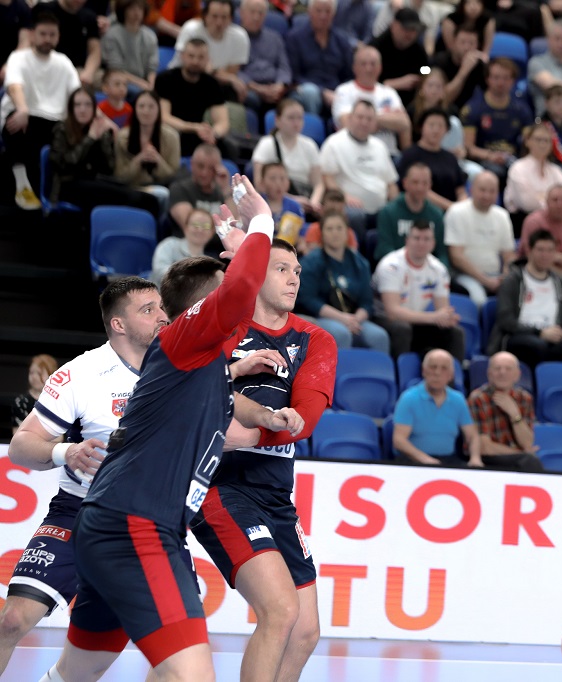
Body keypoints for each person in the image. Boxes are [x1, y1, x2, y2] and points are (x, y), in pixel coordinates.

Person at [34, 176, 304, 682]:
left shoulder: (205, 364)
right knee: (191, 676)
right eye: (228, 294)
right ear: (204, 308)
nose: (243, 301)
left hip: (126, 525)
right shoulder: (184, 338)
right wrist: (263, 223)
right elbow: (239, 291)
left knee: (75, 674)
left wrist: (240, 250)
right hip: (134, 526)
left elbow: (227, 410)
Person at [2, 278, 168, 675]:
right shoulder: (81, 373)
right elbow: (21, 445)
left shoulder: (179, 366)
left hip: (150, 521)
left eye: (161, 306)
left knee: (159, 646)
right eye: (148, 310)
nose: (163, 316)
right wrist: (66, 452)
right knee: (12, 620)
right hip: (79, 511)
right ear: (119, 324)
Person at [189, 239, 335, 682]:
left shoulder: (314, 339)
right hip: (218, 486)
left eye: (297, 271)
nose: (293, 279)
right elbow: (193, 388)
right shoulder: (225, 329)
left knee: (305, 631)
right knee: (280, 610)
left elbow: (304, 419)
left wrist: (249, 434)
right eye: (281, 269)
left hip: (274, 493)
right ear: (255, 275)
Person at [0, 11, 80, 210]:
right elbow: (14, 85)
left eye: (52, 35)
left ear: (58, 37)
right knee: (15, 121)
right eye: (43, 34)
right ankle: (21, 184)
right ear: (32, 34)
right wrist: (23, 108)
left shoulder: (64, 62)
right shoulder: (18, 57)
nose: (47, 39)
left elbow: (78, 95)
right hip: (26, 117)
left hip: (55, 122)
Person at [488, 228, 562, 369]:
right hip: (520, 335)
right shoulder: (513, 280)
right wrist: (540, 332)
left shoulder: (561, 282)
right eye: (540, 250)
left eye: (550, 250)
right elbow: (506, 320)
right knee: (538, 347)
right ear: (529, 251)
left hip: (552, 336)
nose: (545, 255)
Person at [50, 87, 161, 218]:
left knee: (149, 199)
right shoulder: (62, 129)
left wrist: (104, 138)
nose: (82, 109)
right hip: (69, 184)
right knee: (134, 199)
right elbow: (64, 165)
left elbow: (109, 168)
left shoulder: (97, 128)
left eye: (87, 105)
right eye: (77, 105)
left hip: (95, 181)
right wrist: (90, 138)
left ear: (94, 108)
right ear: (71, 108)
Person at [296, 210, 390, 353]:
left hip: (354, 318)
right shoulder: (311, 262)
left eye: (339, 228)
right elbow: (308, 300)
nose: (335, 233)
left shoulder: (360, 263)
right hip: (321, 317)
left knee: (379, 336)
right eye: (329, 229)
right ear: (322, 234)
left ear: (347, 232)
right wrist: (341, 318)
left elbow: (367, 302)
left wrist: (355, 319)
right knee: (341, 334)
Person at [372, 220, 466, 359]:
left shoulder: (438, 269)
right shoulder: (391, 266)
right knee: (402, 329)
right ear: (407, 241)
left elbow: (442, 310)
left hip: (416, 320)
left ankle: (452, 372)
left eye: (426, 239)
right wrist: (433, 317)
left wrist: (447, 318)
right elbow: (392, 312)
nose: (421, 243)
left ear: (433, 243)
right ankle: (398, 371)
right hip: (383, 319)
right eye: (416, 238)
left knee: (455, 333)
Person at [319, 99, 400, 239]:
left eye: (369, 119)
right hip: (349, 207)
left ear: (375, 123)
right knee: (354, 215)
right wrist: (344, 197)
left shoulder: (380, 146)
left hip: (381, 208)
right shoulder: (334, 143)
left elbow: (391, 184)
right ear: (350, 118)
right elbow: (327, 178)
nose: (364, 122)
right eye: (360, 117)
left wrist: (396, 206)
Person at [393, 349, 483, 467]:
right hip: (414, 462)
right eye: (433, 367)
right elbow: (399, 440)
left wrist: (475, 458)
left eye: (444, 368)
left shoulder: (458, 399)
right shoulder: (408, 398)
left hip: (448, 460)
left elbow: (472, 436)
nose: (437, 373)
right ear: (424, 371)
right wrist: (425, 460)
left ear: (451, 375)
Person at [444, 170, 516, 306]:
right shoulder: (457, 212)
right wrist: (486, 281)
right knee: (479, 300)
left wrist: (505, 277)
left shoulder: (502, 216)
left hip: (496, 275)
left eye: (492, 191)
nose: (486, 195)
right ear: (471, 189)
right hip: (465, 275)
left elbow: (509, 255)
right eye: (482, 190)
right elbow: (457, 257)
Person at [466, 351, 545, 473]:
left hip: (517, 459)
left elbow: (527, 443)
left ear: (517, 375)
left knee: (529, 461)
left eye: (508, 369)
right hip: (488, 460)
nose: (502, 373)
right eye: (497, 368)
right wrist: (520, 453)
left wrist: (514, 414)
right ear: (489, 374)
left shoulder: (525, 398)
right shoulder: (478, 398)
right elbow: (484, 447)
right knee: (529, 461)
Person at [155, 37, 231, 158]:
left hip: (198, 134)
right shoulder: (166, 79)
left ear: (208, 59)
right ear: (182, 56)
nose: (195, 61)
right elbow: (164, 117)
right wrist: (192, 127)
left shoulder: (211, 84)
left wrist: (213, 133)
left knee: (225, 148)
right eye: (191, 56)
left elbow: (223, 122)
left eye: (201, 57)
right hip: (171, 131)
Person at [461, 57, 532, 184]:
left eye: (506, 78)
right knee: (497, 172)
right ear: (487, 79)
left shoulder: (522, 109)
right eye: (496, 77)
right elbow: (468, 147)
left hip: (512, 159)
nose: (501, 82)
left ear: (513, 81)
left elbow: (530, 143)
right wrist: (490, 156)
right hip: (484, 159)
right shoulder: (473, 109)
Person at [332, 45, 412, 154]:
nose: (368, 69)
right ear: (354, 67)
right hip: (356, 153)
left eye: (373, 64)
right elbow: (348, 124)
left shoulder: (389, 92)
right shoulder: (344, 91)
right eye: (363, 64)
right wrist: (388, 120)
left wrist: (366, 119)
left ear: (380, 67)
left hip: (389, 154)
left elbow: (404, 123)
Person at [113, 89, 180, 214]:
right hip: (132, 188)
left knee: (164, 194)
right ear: (135, 109)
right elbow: (120, 176)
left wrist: (158, 160)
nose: (146, 111)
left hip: (162, 186)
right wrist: (138, 160)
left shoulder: (172, 137)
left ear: (159, 109)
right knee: (161, 194)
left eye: (151, 106)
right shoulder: (123, 137)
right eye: (141, 106)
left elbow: (173, 175)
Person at [168, 0, 250, 101]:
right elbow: (190, 66)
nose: (219, 23)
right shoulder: (191, 29)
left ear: (231, 18)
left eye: (224, 17)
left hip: (216, 86)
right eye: (214, 16)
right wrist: (218, 74)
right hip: (182, 80)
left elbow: (230, 74)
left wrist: (215, 72)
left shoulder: (240, 37)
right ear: (205, 15)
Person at [251, 98, 322, 212]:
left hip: (306, 199)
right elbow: (260, 185)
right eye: (291, 118)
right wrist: (293, 201)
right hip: (276, 203)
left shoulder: (310, 145)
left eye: (299, 118)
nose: (296, 123)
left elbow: (318, 183)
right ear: (277, 120)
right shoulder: (267, 144)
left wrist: (313, 203)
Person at [285, 0, 354, 117]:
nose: (323, 16)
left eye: (327, 12)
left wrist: (340, 92)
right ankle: (314, 126)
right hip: (305, 91)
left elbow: (349, 75)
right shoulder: (295, 38)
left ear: (334, 14)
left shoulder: (342, 41)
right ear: (309, 12)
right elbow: (294, 76)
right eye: (319, 11)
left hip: (336, 92)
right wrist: (322, 91)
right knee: (311, 93)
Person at [374, 162, 447, 266]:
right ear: (405, 183)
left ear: (430, 185)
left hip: (427, 270)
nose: (420, 188)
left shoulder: (436, 215)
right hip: (396, 268)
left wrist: (437, 269)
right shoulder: (388, 212)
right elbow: (384, 249)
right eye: (415, 182)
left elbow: (442, 253)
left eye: (425, 183)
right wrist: (409, 266)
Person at [397, 106, 467, 211]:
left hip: (454, 211)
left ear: (447, 131)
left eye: (440, 126)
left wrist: (462, 207)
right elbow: (419, 190)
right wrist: (451, 207)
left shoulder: (450, 158)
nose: (436, 130)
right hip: (423, 211)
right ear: (421, 127)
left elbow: (460, 190)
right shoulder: (410, 155)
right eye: (431, 125)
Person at [504, 123, 562, 230]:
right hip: (523, 221)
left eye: (547, 140)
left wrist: (541, 197)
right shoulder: (518, 168)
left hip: (555, 221)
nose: (542, 144)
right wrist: (551, 202)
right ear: (527, 141)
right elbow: (527, 203)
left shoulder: (556, 170)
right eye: (538, 139)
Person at [518, 184, 562, 281]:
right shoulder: (533, 222)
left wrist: (559, 257)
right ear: (546, 202)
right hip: (534, 278)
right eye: (555, 200)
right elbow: (533, 260)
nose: (559, 205)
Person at [237, 0, 292, 113]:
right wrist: (258, 89)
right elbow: (234, 71)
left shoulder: (275, 38)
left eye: (260, 13)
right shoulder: (235, 38)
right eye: (252, 12)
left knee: (296, 100)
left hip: (274, 87)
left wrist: (280, 85)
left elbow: (284, 67)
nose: (256, 17)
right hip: (249, 88)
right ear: (241, 13)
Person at [369, 8, 428, 107]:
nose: (410, 34)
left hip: (410, 102)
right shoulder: (377, 48)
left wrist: (422, 76)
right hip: (379, 101)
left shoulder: (417, 49)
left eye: (414, 30)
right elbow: (366, 81)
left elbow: (426, 67)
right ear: (394, 26)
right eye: (406, 28)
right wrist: (395, 84)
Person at [168, 142, 230, 234]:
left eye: (211, 168)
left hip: (220, 243)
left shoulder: (222, 193)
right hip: (186, 242)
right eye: (200, 166)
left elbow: (233, 226)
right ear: (192, 164)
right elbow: (193, 229)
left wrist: (226, 188)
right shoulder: (179, 189)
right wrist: (223, 229)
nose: (204, 173)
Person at [101, 0, 159, 99]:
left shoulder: (150, 36)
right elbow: (116, 69)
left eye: (140, 8)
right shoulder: (112, 35)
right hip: (122, 81)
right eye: (132, 8)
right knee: (134, 91)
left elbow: (152, 68)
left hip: (144, 81)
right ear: (123, 10)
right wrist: (141, 84)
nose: (136, 12)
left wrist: (151, 84)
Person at [428, 22, 487, 111]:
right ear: (454, 42)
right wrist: (464, 71)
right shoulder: (439, 62)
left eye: (471, 43)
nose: (466, 47)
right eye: (462, 42)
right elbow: (440, 99)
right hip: (442, 110)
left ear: (477, 46)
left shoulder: (480, 66)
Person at [152, 207, 216, 284]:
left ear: (212, 233)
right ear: (186, 227)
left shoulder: (209, 263)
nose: (200, 230)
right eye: (195, 225)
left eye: (206, 226)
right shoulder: (169, 245)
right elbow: (159, 271)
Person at [10, 354, 57, 435]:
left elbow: (59, 436)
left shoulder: (56, 402)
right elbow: (17, 433)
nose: (34, 377)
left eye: (39, 373)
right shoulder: (21, 402)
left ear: (51, 375)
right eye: (31, 373)